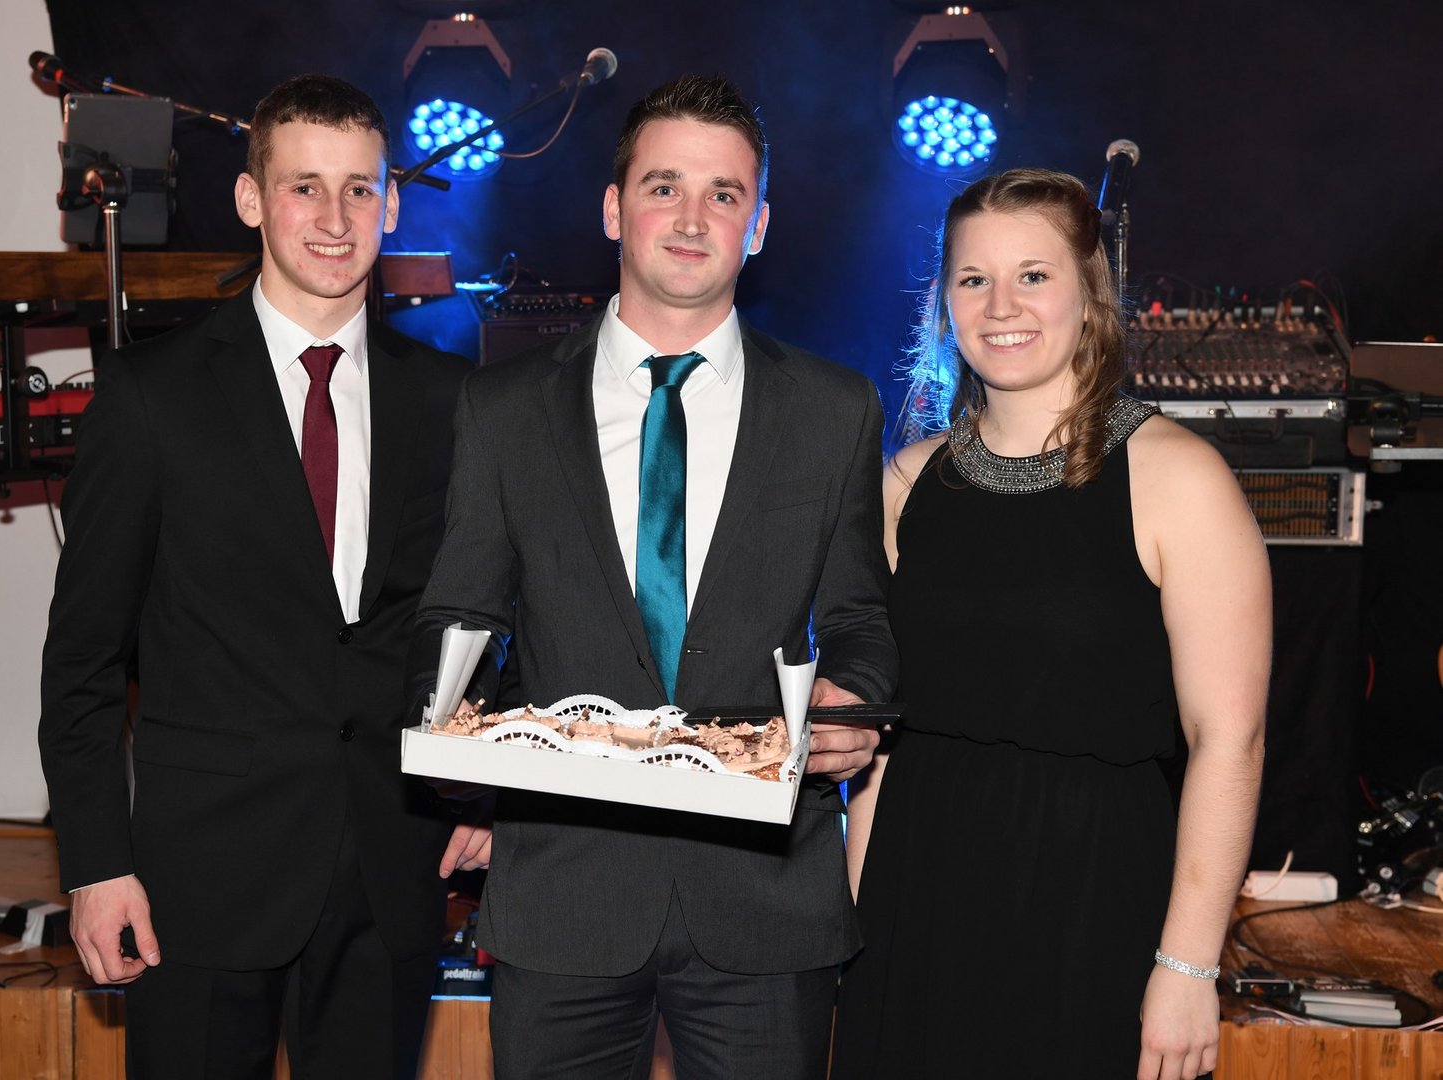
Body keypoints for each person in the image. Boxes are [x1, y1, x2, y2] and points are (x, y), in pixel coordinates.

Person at [407, 74, 897, 1079]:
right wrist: (460, 747)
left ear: (758, 226)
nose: (691, 217)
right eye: (664, 186)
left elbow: (859, 617)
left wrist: (854, 694)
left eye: (724, 193)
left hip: (767, 898)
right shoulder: (502, 408)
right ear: (612, 208)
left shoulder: (834, 409)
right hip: (563, 891)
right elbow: (457, 617)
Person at [38, 74, 471, 1080]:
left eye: (359, 189)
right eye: (303, 187)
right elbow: (84, 660)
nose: (334, 218)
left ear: (392, 206)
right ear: (249, 199)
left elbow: (477, 622)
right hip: (201, 878)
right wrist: (96, 863)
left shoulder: (454, 400)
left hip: (390, 869)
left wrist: (486, 796)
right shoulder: (149, 399)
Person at [831, 167, 1270, 1080]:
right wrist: (853, 925)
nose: (1002, 305)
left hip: (1094, 897)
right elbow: (879, 746)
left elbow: (1230, 741)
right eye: (974, 278)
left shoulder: (1178, 478)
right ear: (944, 302)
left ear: (1089, 291)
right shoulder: (905, 483)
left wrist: (1189, 966)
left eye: (1033, 275)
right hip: (920, 896)